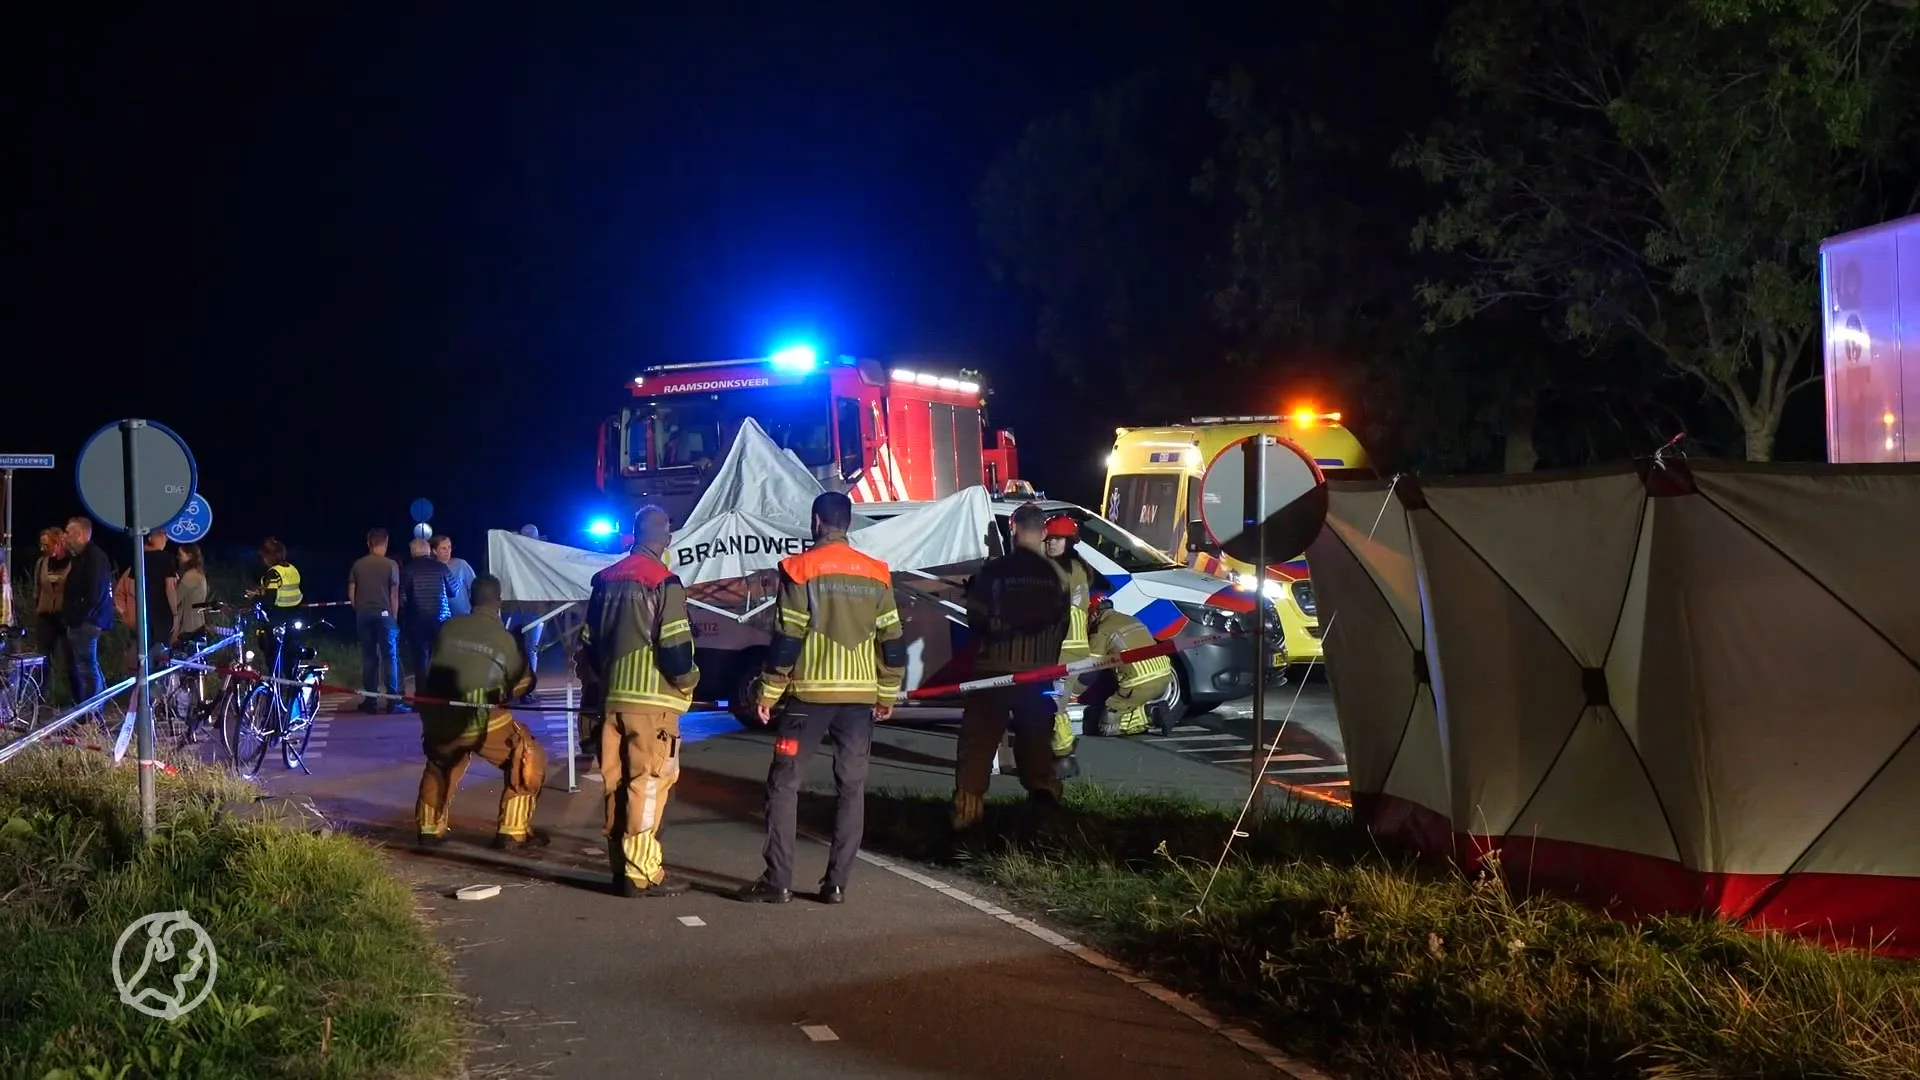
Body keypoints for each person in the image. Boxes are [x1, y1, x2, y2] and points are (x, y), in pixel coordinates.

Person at [737, 491, 905, 905]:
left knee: (784, 785)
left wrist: (769, 690)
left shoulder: (800, 569)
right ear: (847, 524)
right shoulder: (877, 573)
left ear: (816, 522)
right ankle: (836, 885)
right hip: (859, 701)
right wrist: (887, 692)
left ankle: (778, 882)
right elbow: (893, 640)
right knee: (851, 788)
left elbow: (787, 638)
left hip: (807, 699)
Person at [578, 505, 700, 897]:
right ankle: (642, 871)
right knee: (648, 784)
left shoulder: (604, 580)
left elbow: (588, 646)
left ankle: (621, 866)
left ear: (633, 535)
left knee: (616, 784)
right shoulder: (664, 582)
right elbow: (676, 652)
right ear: (664, 538)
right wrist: (691, 681)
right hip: (653, 705)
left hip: (612, 700)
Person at [950, 502, 1072, 832]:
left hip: (993, 674)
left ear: (1013, 529)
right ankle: (1044, 818)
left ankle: (967, 822)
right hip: (1038, 674)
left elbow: (975, 619)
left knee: (976, 749)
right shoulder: (1059, 576)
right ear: (1044, 533)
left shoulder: (992, 572)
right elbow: (1063, 624)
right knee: (1036, 746)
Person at [414, 574, 547, 849]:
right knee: (525, 755)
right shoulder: (505, 639)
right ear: (498, 602)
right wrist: (519, 651)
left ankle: (429, 829)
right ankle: (512, 831)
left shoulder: (447, 627)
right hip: (480, 717)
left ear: (471, 599)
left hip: (437, 718)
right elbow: (523, 685)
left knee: (442, 760)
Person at [1077, 593, 1176, 738]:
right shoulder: (1132, 619)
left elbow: (1089, 671)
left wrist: (1073, 692)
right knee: (1124, 700)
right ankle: (1147, 710)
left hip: (1138, 682)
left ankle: (1151, 715)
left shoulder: (1101, 630)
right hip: (1165, 676)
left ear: (1095, 613)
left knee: (1105, 728)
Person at [1042, 513, 1093, 780]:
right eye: (1049, 539)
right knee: (1052, 704)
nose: (1051, 544)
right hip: (1070, 652)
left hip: (1065, 653)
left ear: (1069, 542)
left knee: (1053, 706)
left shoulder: (1060, 570)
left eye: (1057, 539)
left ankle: (1063, 757)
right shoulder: (1076, 567)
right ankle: (1059, 754)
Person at [59, 517, 114, 706]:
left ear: (80, 534)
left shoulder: (95, 558)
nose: (64, 537)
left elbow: (94, 593)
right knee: (88, 666)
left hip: (87, 621)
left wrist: (78, 616)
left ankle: (92, 713)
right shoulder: (80, 558)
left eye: (68, 532)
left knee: (87, 668)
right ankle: (95, 707)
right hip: (83, 620)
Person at [348, 529, 402, 713]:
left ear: (368, 543)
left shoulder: (358, 565)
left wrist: (360, 609)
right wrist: (393, 617)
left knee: (369, 657)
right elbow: (394, 593)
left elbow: (351, 593)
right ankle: (392, 702)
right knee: (389, 656)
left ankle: (370, 701)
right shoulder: (391, 565)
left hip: (364, 615)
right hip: (384, 615)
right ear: (385, 543)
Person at [126, 533, 178, 717]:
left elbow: (131, 588)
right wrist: (175, 613)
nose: (166, 538)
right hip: (162, 614)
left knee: (142, 660)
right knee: (161, 659)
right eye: (163, 535)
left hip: (143, 614)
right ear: (151, 537)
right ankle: (159, 705)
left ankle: (142, 702)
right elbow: (170, 587)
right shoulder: (167, 559)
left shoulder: (139, 557)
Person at [400, 536, 456, 701]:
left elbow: (402, 599)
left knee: (420, 661)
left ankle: (423, 698)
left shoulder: (407, 571)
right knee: (440, 659)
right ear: (428, 551)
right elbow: (454, 590)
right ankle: (442, 696)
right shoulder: (441, 567)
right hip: (442, 620)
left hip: (417, 621)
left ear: (412, 552)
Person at [32, 528, 71, 663]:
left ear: (57, 543)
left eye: (46, 545)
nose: (42, 549)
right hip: (46, 616)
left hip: (65, 617)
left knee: (71, 660)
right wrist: (37, 607)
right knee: (43, 658)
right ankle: (44, 684)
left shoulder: (71, 563)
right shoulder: (42, 563)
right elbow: (37, 588)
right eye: (41, 545)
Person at [432, 535, 478, 617]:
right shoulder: (432, 569)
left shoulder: (461, 565)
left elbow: (474, 587)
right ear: (435, 551)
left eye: (449, 547)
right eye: (443, 548)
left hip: (464, 615)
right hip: (442, 618)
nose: (447, 551)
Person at [173, 543, 209, 644]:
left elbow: (174, 601)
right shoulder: (198, 573)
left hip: (189, 630)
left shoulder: (190, 576)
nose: (178, 557)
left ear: (189, 556)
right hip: (198, 626)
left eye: (180, 554)